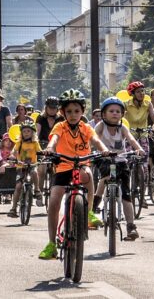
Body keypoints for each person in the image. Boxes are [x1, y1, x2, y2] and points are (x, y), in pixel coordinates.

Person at [39, 90, 110, 260]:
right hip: (63, 167)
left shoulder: (86, 128)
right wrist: (50, 149)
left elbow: (96, 140)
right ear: (62, 113)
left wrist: (104, 150)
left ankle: (90, 213)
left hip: (81, 165)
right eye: (68, 111)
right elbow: (54, 139)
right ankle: (51, 244)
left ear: (82, 112)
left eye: (76, 111)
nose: (72, 115)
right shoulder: (60, 126)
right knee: (54, 201)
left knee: (88, 176)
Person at [93, 97, 146, 240]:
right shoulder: (100, 126)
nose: (115, 113)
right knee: (104, 179)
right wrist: (101, 149)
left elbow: (131, 139)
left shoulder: (122, 127)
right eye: (111, 111)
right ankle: (93, 208)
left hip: (120, 160)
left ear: (122, 114)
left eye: (118, 111)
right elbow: (95, 138)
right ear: (104, 114)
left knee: (126, 194)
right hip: (104, 159)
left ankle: (131, 226)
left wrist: (139, 149)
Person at [124, 81, 154, 208]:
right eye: (138, 91)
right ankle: (128, 189)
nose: (141, 93)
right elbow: (121, 118)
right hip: (130, 136)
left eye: (143, 91)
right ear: (132, 93)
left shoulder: (147, 103)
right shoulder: (126, 105)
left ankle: (142, 196)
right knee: (128, 164)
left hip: (144, 135)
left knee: (144, 167)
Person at [7, 121, 43, 217]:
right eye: (24, 131)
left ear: (33, 133)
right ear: (21, 133)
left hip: (32, 165)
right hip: (21, 166)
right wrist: (11, 156)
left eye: (28, 131)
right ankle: (14, 208)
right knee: (18, 186)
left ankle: (37, 190)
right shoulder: (19, 142)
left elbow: (40, 152)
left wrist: (42, 157)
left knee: (34, 173)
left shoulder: (35, 143)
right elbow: (14, 151)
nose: (26, 133)